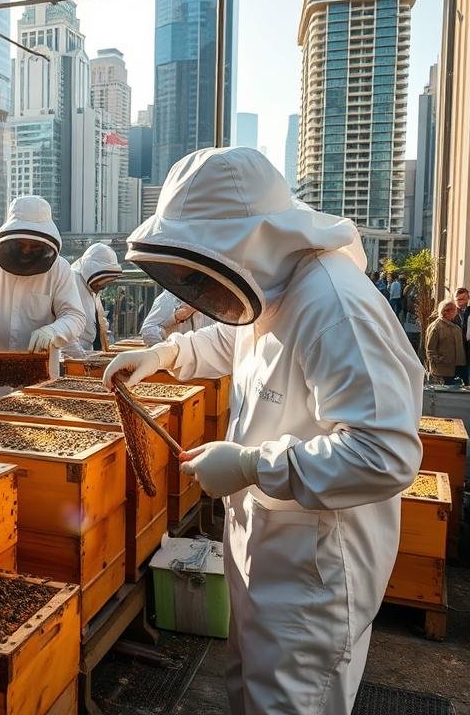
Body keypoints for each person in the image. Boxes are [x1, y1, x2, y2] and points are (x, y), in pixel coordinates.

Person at [102, 147, 423, 714]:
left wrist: (254, 466)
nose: (199, 291)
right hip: (266, 550)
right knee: (248, 694)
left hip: (315, 576)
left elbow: (386, 453)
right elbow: (236, 339)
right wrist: (166, 352)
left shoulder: (333, 304)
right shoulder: (272, 288)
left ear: (243, 242)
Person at [0, 195, 86, 406]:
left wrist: (54, 331)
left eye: (35, 246)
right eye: (20, 244)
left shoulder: (60, 268)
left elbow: (74, 316)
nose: (27, 250)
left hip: (38, 376)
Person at [61, 243, 122, 359]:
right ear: (92, 270)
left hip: (86, 354)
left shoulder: (91, 287)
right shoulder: (72, 281)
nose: (104, 286)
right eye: (103, 281)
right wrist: (82, 358)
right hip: (70, 360)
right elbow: (66, 332)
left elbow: (99, 321)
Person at [138, 289, 215, 346]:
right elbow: (148, 332)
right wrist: (175, 317)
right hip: (176, 362)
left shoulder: (214, 301)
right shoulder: (168, 298)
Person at [426, 299, 466, 385]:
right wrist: (440, 359)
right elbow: (430, 350)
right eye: (454, 309)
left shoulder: (456, 328)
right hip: (442, 370)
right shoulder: (436, 327)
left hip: (458, 368)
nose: (456, 312)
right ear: (446, 311)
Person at [455, 287, 470, 382]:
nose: (459, 302)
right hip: (454, 352)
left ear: (468, 298)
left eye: (462, 299)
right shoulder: (448, 311)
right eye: (457, 299)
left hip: (467, 352)